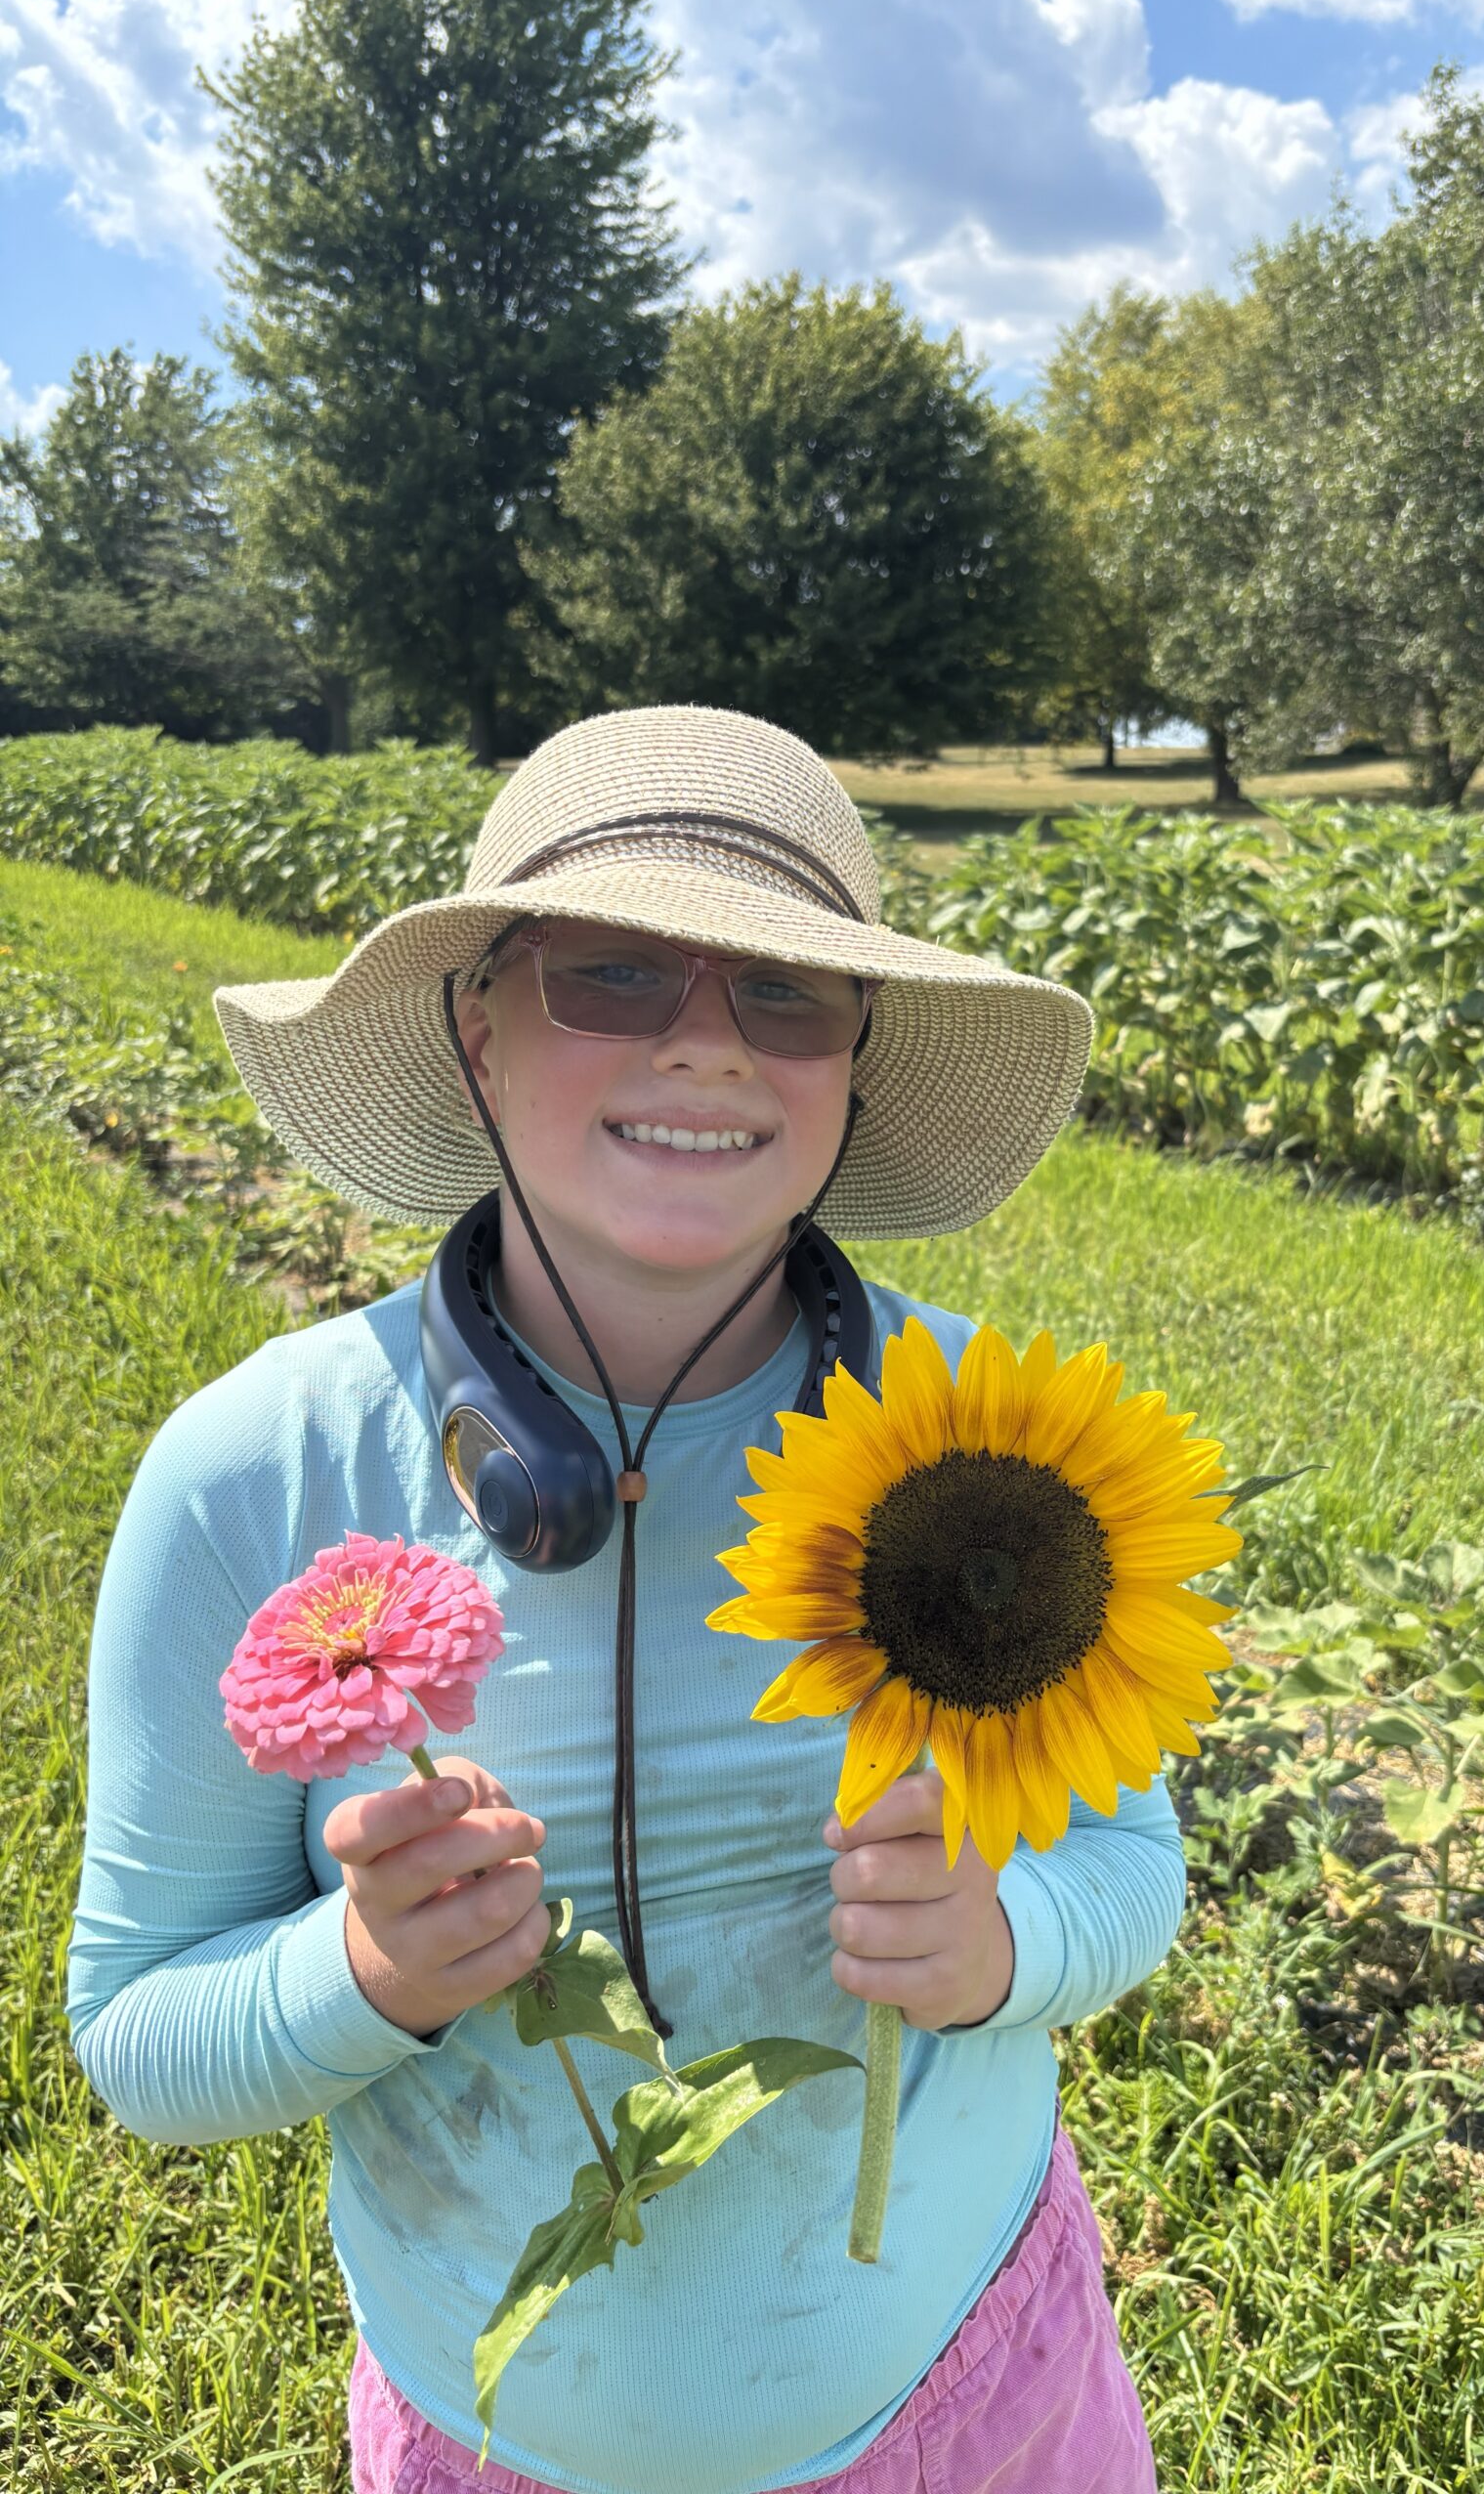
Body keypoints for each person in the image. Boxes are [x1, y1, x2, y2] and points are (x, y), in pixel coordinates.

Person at [65, 707, 1186, 2494]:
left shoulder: (1004, 1458)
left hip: (980, 2406)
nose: (704, 1045)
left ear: (855, 1064)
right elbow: (136, 2034)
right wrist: (365, 1973)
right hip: (501, 2440)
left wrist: (1001, 1952)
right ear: (476, 1027)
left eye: (787, 995)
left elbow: (1134, 1870)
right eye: (608, 973)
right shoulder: (255, 1475)